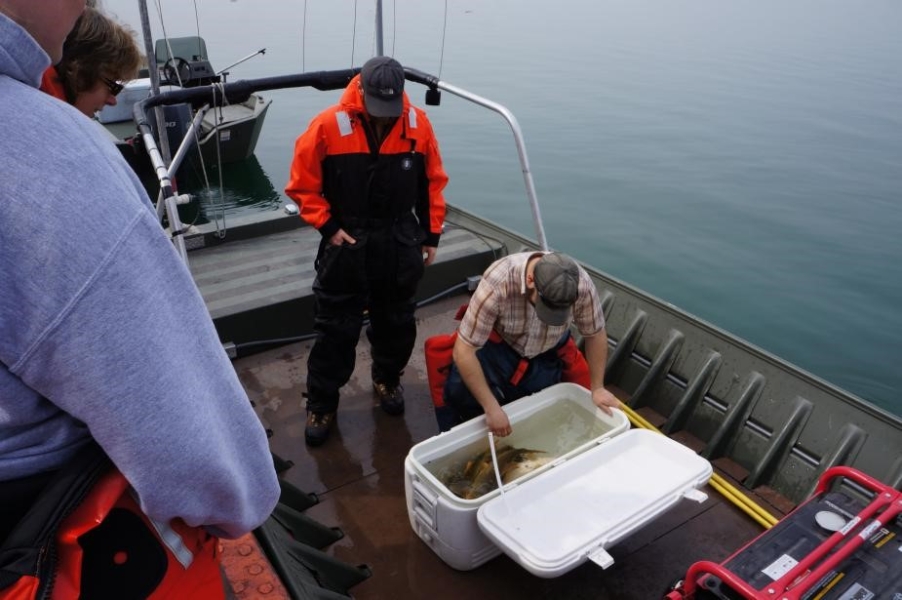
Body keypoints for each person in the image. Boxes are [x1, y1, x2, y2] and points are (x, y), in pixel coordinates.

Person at [0, 0, 279, 593]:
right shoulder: (52, 163)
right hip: (50, 546)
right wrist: (240, 496)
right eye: (110, 86)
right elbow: (198, 454)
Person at [285, 55, 448, 447]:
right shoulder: (326, 126)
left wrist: (431, 236)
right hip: (348, 239)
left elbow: (432, 184)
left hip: (399, 238)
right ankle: (322, 402)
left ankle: (387, 379)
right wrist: (328, 226)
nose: (384, 116)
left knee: (397, 322)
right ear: (360, 91)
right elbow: (301, 187)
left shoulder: (418, 125)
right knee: (335, 330)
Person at [444, 252, 621, 437]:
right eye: (545, 307)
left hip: (546, 350)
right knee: (460, 394)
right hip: (501, 345)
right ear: (530, 280)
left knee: (536, 416)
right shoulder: (498, 282)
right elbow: (463, 351)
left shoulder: (581, 286)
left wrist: (598, 387)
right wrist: (491, 408)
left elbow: (595, 334)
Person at [39, 6, 142, 118]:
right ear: (81, 72)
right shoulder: (43, 120)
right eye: (112, 87)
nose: (112, 101)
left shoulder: (43, 107)